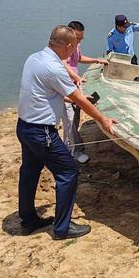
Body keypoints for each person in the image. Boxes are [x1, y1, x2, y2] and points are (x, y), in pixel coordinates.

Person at [17, 25, 118, 240]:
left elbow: (44, 92)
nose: (75, 50)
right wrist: (103, 119)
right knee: (68, 171)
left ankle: (28, 220)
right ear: (69, 46)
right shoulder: (54, 68)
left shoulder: (34, 58)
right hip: (41, 132)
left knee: (29, 173)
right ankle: (62, 228)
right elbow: (78, 99)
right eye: (75, 46)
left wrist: (69, 97)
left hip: (24, 127)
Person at [63, 20, 108, 165]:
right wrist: (75, 77)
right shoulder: (63, 47)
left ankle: (67, 148)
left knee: (74, 120)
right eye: (77, 38)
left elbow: (79, 58)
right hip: (65, 88)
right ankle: (76, 152)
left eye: (81, 38)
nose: (79, 40)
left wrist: (96, 60)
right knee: (69, 121)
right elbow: (62, 64)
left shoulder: (76, 45)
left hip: (75, 86)